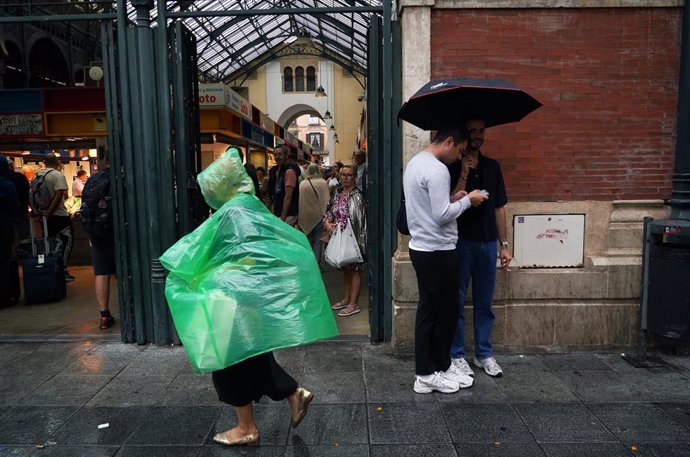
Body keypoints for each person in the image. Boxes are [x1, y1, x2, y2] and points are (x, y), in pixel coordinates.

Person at [403, 126, 488, 394]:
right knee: (443, 312)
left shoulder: (416, 163)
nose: (458, 157)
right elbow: (441, 216)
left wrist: (453, 197)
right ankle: (428, 373)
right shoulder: (437, 169)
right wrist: (468, 200)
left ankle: (436, 367)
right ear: (449, 142)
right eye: (459, 151)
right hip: (438, 250)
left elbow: (431, 206)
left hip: (423, 248)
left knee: (433, 310)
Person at [447, 118, 512, 378]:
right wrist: (463, 171)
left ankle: (484, 354)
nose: (477, 135)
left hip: (487, 244)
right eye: (471, 131)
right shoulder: (452, 167)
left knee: (485, 301)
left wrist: (503, 245)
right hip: (461, 241)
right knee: (458, 300)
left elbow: (499, 208)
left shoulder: (493, 167)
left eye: (480, 131)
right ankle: (457, 354)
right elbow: (447, 204)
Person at [323, 164, 367, 317]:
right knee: (345, 269)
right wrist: (328, 223)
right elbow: (329, 211)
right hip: (339, 237)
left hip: (352, 238)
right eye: (343, 175)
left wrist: (360, 245)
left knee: (354, 270)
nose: (346, 177)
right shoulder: (338, 192)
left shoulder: (356, 196)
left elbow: (359, 222)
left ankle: (353, 304)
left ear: (355, 177)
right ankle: (346, 299)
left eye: (349, 175)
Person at [81, 162, 116, 330]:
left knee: (101, 272)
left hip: (97, 231)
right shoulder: (122, 178)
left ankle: (104, 316)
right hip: (118, 232)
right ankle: (133, 313)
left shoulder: (93, 179)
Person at [31, 156, 75, 282]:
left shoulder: (37, 175)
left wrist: (38, 213)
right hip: (59, 216)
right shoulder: (57, 175)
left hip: (44, 217)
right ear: (57, 163)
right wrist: (49, 212)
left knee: (50, 244)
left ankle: (52, 270)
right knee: (67, 241)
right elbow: (60, 194)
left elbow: (30, 196)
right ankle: (62, 270)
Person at [298, 164, 331, 265]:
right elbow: (327, 199)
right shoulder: (323, 182)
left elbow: (300, 201)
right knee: (318, 241)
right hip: (319, 215)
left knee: (308, 240)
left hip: (305, 215)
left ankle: (308, 262)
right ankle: (316, 264)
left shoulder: (303, 183)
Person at [0, 157, 21, 308]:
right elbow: (14, 207)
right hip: (3, 227)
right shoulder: (7, 185)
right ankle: (4, 296)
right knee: (3, 261)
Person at [271, 145, 300, 226]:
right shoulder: (277, 170)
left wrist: (282, 220)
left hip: (288, 214)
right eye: (275, 155)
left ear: (286, 155)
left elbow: (288, 196)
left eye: (280, 154)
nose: (277, 157)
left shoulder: (289, 171)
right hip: (279, 213)